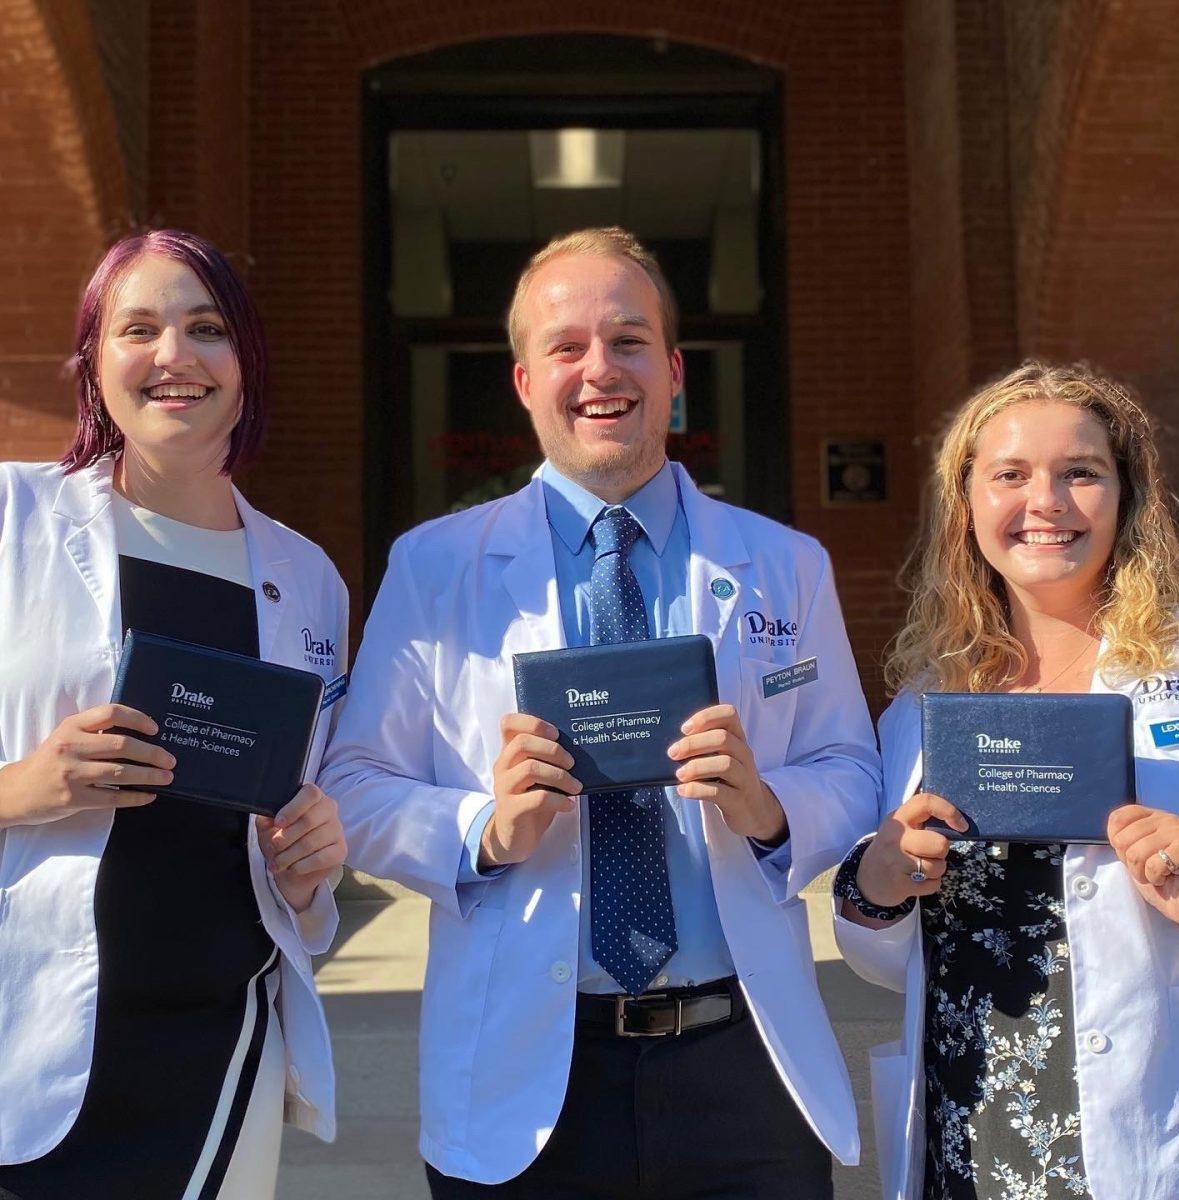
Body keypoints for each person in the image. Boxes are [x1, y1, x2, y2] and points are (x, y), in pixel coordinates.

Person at [320, 226, 880, 1198]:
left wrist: (770, 808)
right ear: (524, 383)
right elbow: (354, 787)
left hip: (742, 1065)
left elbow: (852, 766)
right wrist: (483, 829)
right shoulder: (436, 566)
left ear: (673, 373)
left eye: (628, 341)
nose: (599, 370)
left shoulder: (787, 565)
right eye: (565, 347)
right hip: (526, 1076)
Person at [0, 230, 349, 1199]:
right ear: (93, 360)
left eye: (207, 328)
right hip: (18, 1024)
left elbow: (300, 805)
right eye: (138, 328)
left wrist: (315, 853)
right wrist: (18, 789)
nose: (174, 356)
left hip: (216, 1039)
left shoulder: (307, 578)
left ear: (246, 362)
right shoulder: (10, 522)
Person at [833, 361, 1179, 1200]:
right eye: (1011, 475)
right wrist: (877, 885)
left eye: (1081, 472)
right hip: (972, 1137)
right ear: (967, 508)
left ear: (1127, 496)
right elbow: (886, 957)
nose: (1048, 502)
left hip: (1151, 1129)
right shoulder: (930, 699)